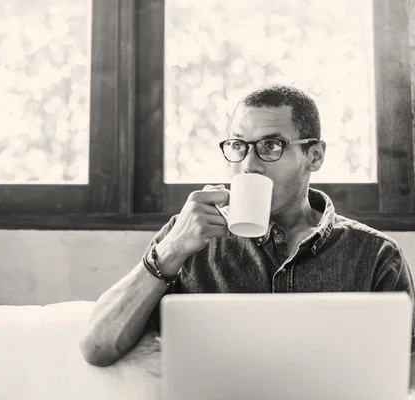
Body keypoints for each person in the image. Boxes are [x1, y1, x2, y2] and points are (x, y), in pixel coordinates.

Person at [79, 83, 415, 369]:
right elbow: (97, 348)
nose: (249, 166)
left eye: (271, 146)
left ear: (314, 156)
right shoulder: (188, 239)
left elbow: (406, 376)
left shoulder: (374, 256)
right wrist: (169, 251)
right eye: (239, 146)